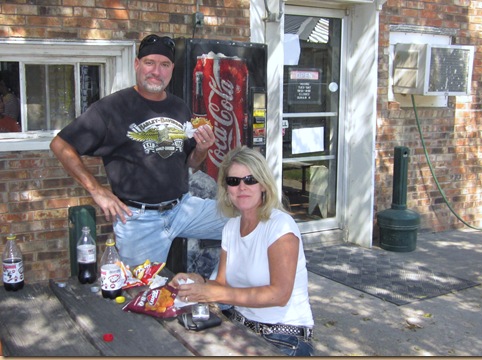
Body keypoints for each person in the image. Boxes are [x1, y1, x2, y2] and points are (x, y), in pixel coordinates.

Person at [50, 34, 228, 267]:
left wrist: (203, 149)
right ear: (137, 64)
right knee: (142, 293)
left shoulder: (179, 107)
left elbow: (191, 163)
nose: (157, 71)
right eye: (149, 63)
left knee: (250, 221)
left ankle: (227, 290)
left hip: (183, 208)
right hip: (138, 221)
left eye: (164, 65)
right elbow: (60, 145)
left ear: (172, 69)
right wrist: (97, 190)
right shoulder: (112, 107)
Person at [169, 146, 315, 356]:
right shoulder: (231, 227)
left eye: (250, 179)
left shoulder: (281, 226)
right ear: (226, 188)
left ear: (263, 184)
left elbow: (280, 295)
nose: (242, 187)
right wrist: (194, 281)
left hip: (283, 337)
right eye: (234, 181)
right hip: (239, 327)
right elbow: (221, 284)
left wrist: (215, 292)